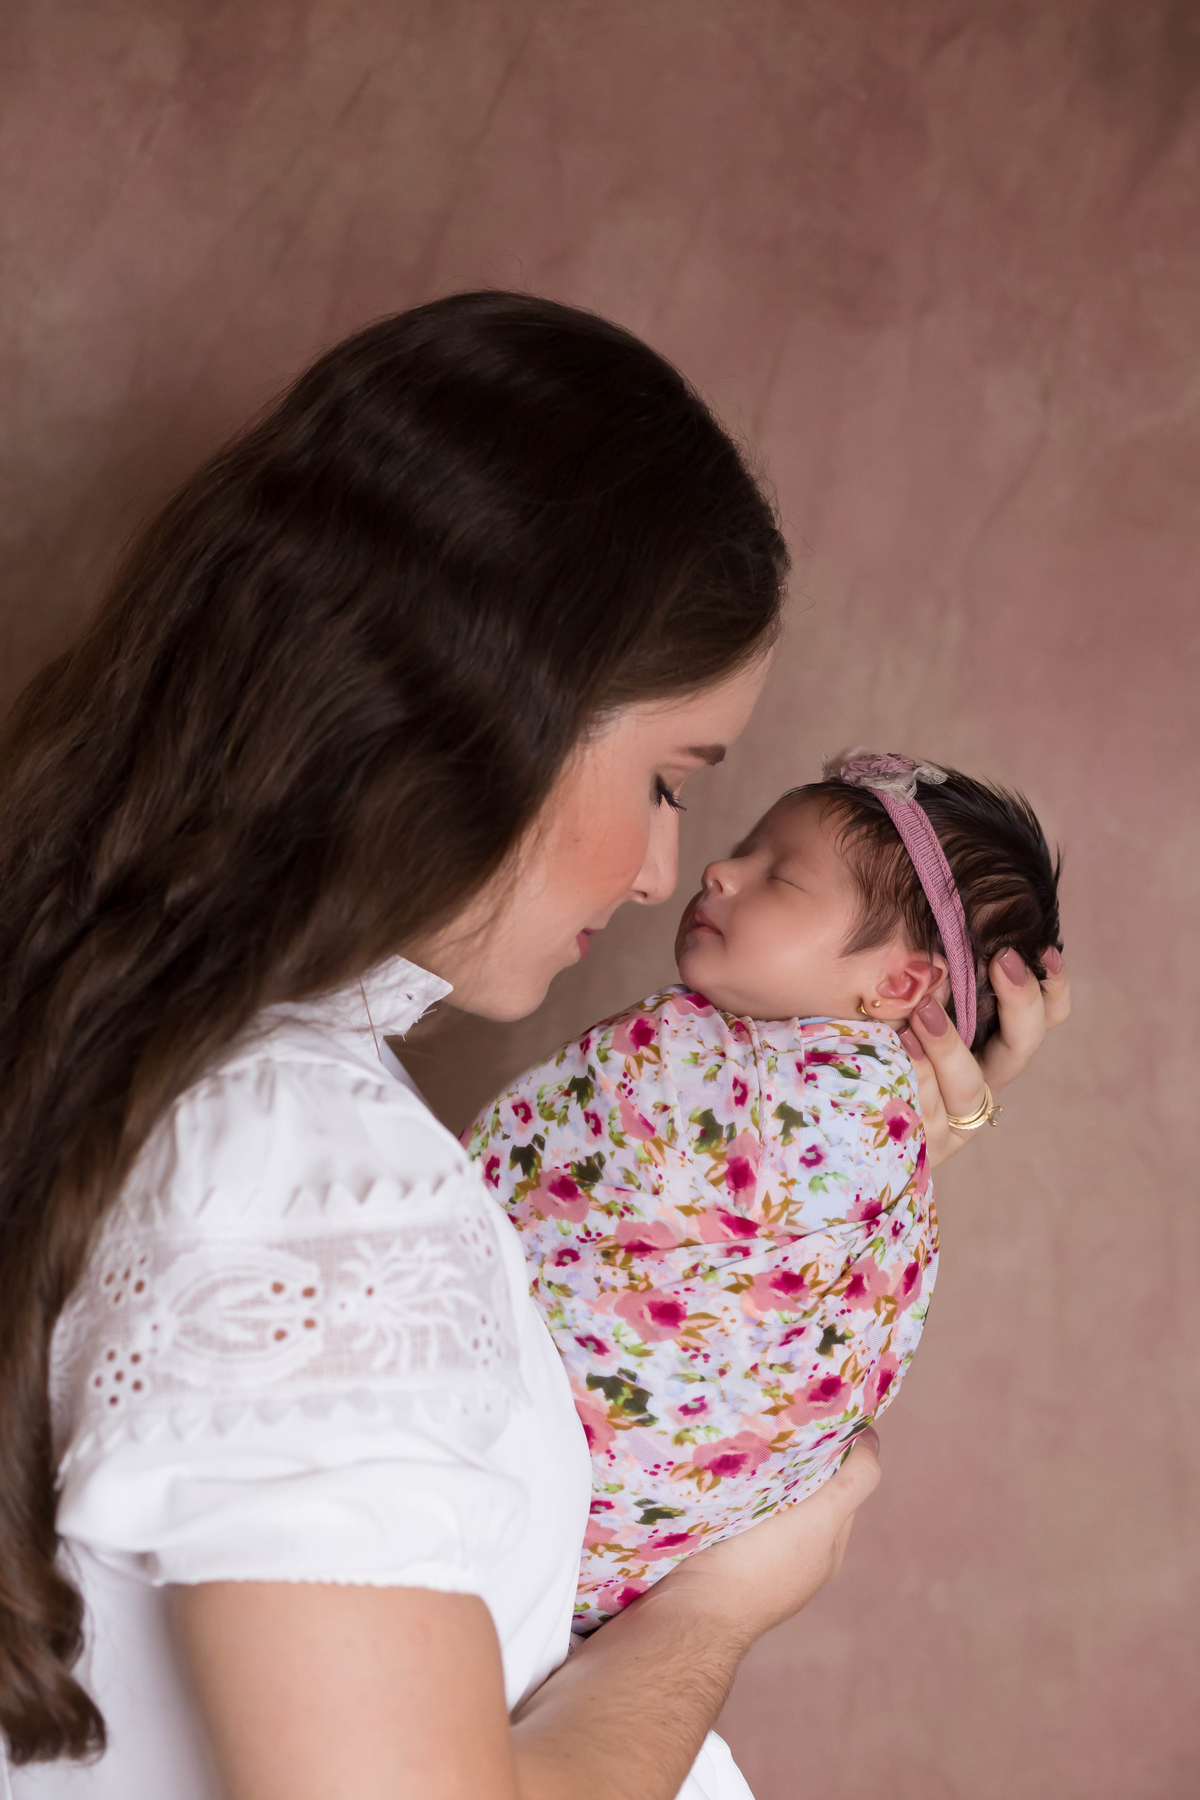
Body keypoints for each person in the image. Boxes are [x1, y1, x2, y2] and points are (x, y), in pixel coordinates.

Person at [0, 292, 1069, 1800]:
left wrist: (889, 1126)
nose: (659, 870)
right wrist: (712, 1613)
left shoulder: (184, 1073)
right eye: (665, 779)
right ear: (492, 709)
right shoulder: (308, 1178)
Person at [469, 752, 1062, 1630]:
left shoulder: (781, 1089)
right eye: (746, 848)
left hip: (539, 1493)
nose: (719, 869)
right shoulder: (861, 1125)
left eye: (779, 875)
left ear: (899, 985)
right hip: (585, 1565)